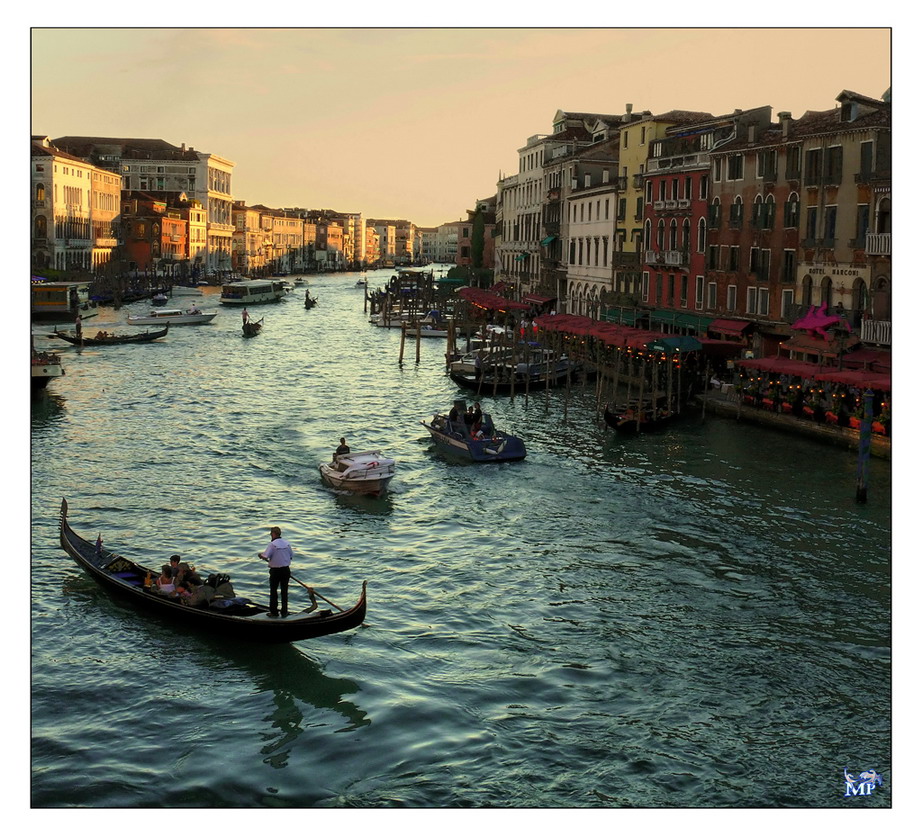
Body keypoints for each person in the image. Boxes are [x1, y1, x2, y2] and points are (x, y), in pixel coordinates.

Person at [259, 526, 293, 618]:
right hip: (286, 570)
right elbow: (291, 556)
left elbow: (265, 556)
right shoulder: (287, 543)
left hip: (275, 571)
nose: (271, 535)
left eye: (271, 534)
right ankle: (284, 612)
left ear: (273, 534)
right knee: (284, 591)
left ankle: (274, 612)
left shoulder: (272, 544)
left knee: (273, 591)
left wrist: (260, 555)